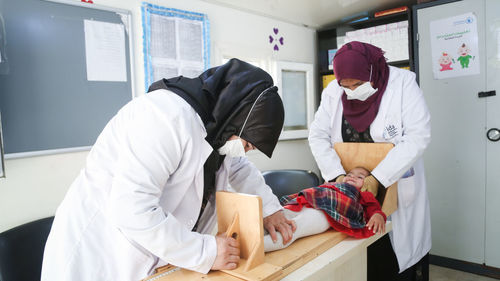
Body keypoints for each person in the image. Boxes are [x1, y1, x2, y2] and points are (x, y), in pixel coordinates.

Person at [41, 59, 297, 281]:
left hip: (146, 255)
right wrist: (206, 252)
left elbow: (239, 166)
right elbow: (132, 210)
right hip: (100, 253)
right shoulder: (164, 119)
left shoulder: (218, 129)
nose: (246, 151)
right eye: (248, 144)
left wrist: (271, 210)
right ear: (236, 118)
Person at [309, 41, 431, 281]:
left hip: (394, 180)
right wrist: (337, 176)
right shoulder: (333, 91)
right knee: (357, 256)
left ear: (373, 71)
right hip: (351, 186)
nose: (352, 90)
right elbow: (317, 135)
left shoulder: (403, 84)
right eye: (346, 85)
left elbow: (418, 136)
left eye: (358, 84)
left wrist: (378, 178)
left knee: (393, 261)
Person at [264, 167, 386, 252]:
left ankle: (258, 246)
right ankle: (253, 234)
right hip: (305, 202)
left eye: (359, 177)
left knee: (295, 227)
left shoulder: (364, 194)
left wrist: (378, 215)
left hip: (325, 213)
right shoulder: (332, 185)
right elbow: (316, 191)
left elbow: (373, 208)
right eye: (349, 174)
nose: (352, 177)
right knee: (281, 216)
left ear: (367, 183)